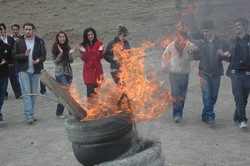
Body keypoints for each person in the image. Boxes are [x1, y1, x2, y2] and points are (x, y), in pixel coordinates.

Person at [192, 20, 228, 126]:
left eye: (207, 31)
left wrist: (224, 54)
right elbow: (196, 58)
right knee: (207, 96)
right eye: (203, 31)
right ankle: (210, 117)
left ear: (213, 31)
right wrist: (194, 51)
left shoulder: (221, 41)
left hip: (216, 72)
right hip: (204, 73)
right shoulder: (200, 42)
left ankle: (205, 114)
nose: (204, 34)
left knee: (214, 96)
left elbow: (226, 55)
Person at [161, 20, 195, 123]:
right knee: (175, 94)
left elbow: (191, 59)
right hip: (174, 74)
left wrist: (190, 53)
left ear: (184, 38)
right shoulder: (171, 45)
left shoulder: (190, 45)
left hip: (184, 74)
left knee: (182, 95)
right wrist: (164, 66)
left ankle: (180, 112)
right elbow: (165, 56)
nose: (178, 39)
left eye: (180, 37)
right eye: (177, 37)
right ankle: (176, 114)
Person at [13, 22, 46, 124]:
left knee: (33, 93)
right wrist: (24, 55)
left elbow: (43, 55)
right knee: (27, 93)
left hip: (35, 70)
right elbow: (14, 56)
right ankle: (29, 115)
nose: (28, 31)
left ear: (33, 30)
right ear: (24, 30)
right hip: (24, 71)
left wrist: (38, 60)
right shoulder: (19, 42)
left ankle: (31, 113)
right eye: (26, 29)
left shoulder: (39, 42)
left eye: (29, 29)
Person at [223, 18, 250, 129]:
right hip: (235, 73)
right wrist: (225, 55)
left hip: (248, 73)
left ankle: (237, 115)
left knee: (244, 98)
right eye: (235, 25)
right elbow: (229, 55)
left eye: (238, 25)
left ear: (245, 26)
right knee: (239, 96)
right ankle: (242, 120)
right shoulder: (232, 41)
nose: (236, 27)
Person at [52, 30, 76, 118]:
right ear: (57, 38)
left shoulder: (68, 47)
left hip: (69, 73)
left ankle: (60, 112)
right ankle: (71, 111)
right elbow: (55, 62)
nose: (62, 38)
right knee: (66, 92)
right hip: (60, 73)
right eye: (60, 37)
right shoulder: (55, 48)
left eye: (63, 37)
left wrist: (70, 54)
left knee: (66, 93)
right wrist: (61, 53)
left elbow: (71, 61)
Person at [79, 27, 104, 107]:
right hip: (88, 71)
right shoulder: (83, 45)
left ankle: (95, 110)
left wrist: (100, 51)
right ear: (86, 36)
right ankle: (90, 109)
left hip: (97, 70)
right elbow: (83, 59)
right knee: (90, 90)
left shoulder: (99, 43)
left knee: (96, 92)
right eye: (88, 35)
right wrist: (84, 52)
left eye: (91, 34)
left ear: (94, 34)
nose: (90, 36)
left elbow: (101, 57)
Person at [0, 23, 22, 99]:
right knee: (3, 79)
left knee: (14, 78)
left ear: (4, 30)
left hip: (10, 62)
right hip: (1, 65)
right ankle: (4, 94)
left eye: (1, 29)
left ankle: (18, 94)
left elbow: (14, 49)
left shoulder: (10, 39)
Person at [0, 27, 14, 125]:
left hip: (4, 75)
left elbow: (12, 60)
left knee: (1, 97)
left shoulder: (7, 47)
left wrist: (5, 62)